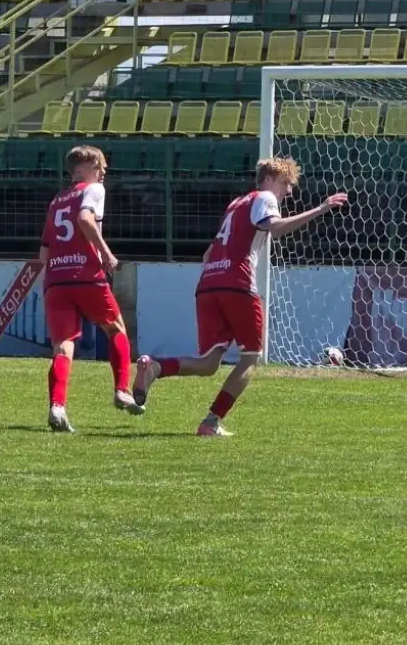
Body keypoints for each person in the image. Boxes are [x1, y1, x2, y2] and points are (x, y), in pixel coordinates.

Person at [133, 157, 348, 436]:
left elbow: (208, 254)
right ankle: (210, 423)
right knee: (250, 359)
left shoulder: (236, 205)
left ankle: (156, 367)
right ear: (269, 180)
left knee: (210, 363)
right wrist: (321, 208)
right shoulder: (264, 198)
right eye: (286, 183)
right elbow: (277, 227)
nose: (289, 191)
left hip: (209, 285)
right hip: (237, 284)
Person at [39, 144, 139, 433]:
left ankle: (57, 407)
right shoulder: (92, 190)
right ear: (81, 170)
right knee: (116, 328)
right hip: (86, 274)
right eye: (99, 166)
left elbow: (44, 251)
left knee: (63, 346)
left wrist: (58, 271)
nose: (103, 171)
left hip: (56, 279)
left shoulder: (57, 200)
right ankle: (121, 390)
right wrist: (106, 254)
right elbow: (84, 219)